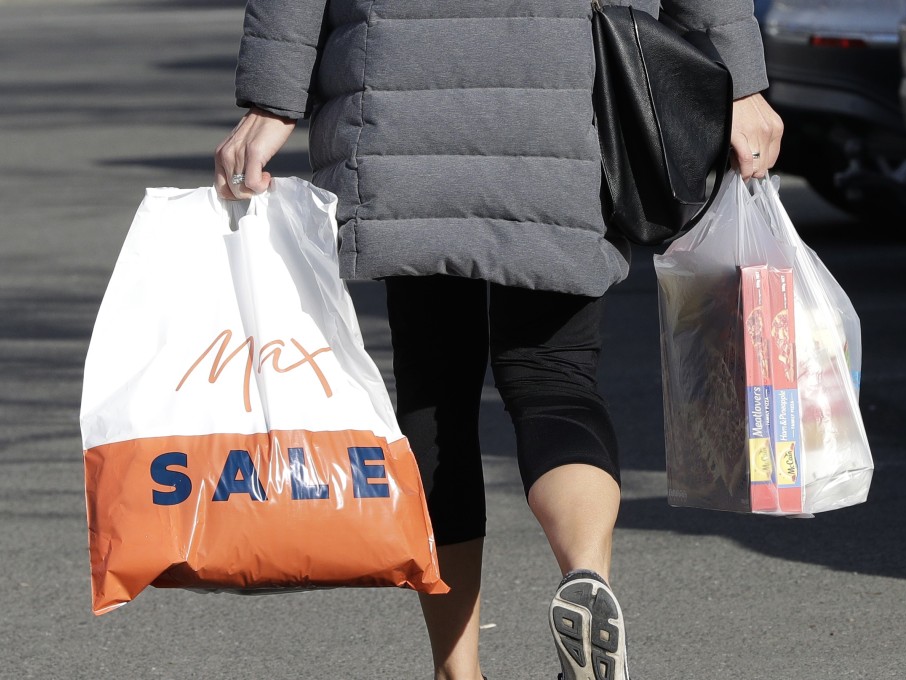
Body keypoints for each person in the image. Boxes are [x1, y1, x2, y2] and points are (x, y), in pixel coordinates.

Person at [214, 1, 782, 678]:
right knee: (556, 378)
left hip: (401, 97)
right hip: (567, 95)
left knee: (436, 391)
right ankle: (585, 574)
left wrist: (272, 100)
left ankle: (459, 671)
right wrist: (742, 82)